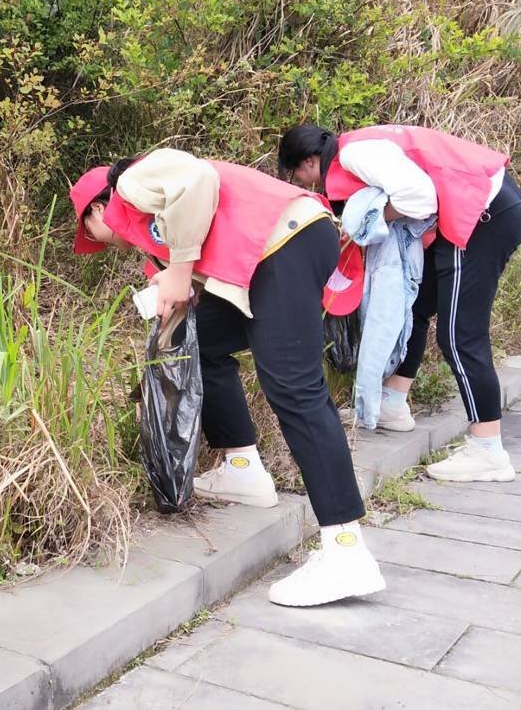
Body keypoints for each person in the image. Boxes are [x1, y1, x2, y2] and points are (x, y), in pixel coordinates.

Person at [71, 149, 385, 607]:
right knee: (203, 343)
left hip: (287, 242)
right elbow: (212, 253)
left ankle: (345, 551)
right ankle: (243, 469)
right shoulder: (153, 224)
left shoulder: (131, 185)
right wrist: (176, 287)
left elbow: (197, 178)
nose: (100, 244)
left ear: (97, 208)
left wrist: (178, 272)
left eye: (90, 233)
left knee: (295, 390)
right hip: (279, 251)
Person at [279, 124, 521, 483]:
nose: (305, 183)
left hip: (482, 216)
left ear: (309, 161)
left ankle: (488, 449)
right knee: (414, 306)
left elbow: (420, 198)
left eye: (299, 174)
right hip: (484, 206)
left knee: (461, 337)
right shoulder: (356, 146)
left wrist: (369, 221)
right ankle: (392, 404)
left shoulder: (355, 155)